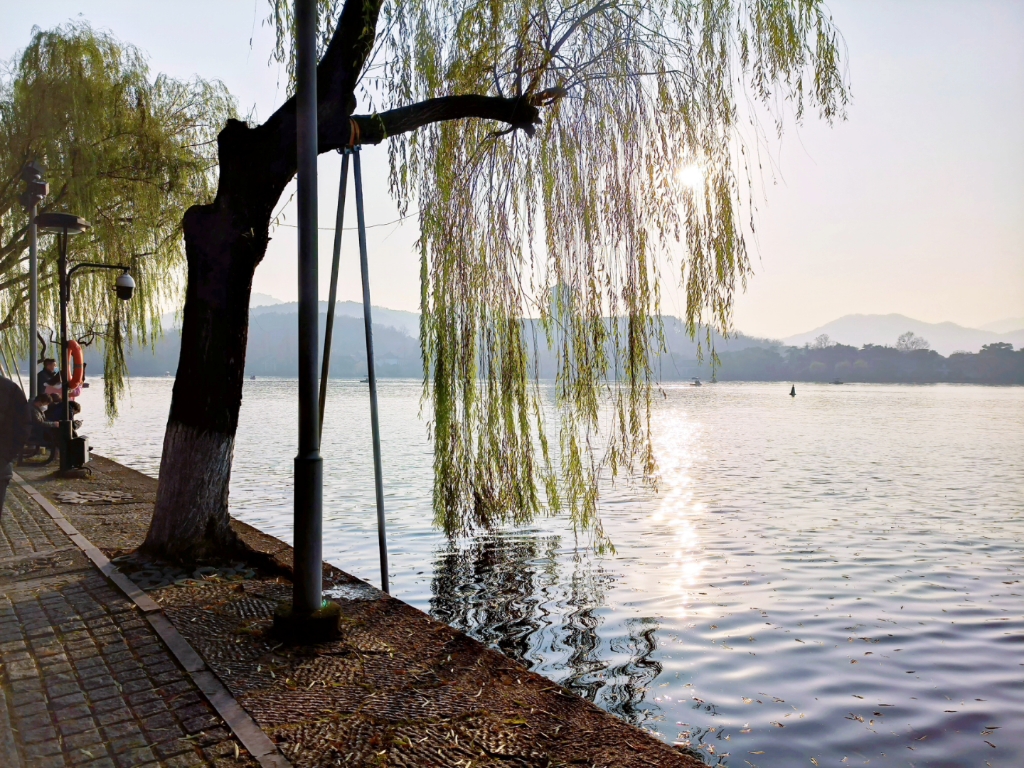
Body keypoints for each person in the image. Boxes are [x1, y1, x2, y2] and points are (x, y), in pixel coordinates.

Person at [0, 377, 30, 520]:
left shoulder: (9, 390)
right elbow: (23, 427)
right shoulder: (10, 389)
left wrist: (5, 456)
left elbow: (23, 426)